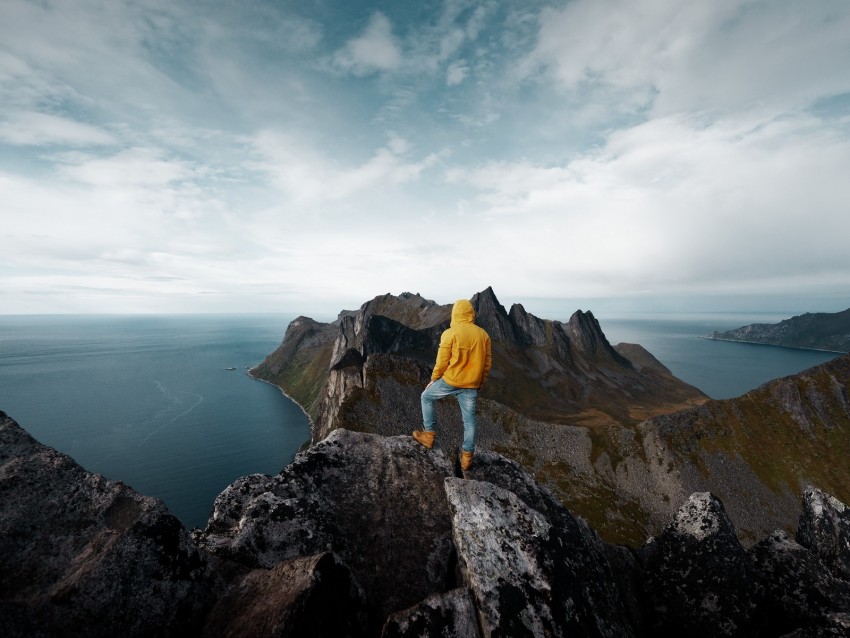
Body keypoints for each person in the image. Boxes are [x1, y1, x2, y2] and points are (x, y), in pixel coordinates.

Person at [412, 299, 491, 471]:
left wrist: (434, 379)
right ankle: (467, 459)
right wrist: (480, 383)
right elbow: (487, 364)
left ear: (455, 314)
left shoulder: (449, 333)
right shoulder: (483, 335)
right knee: (469, 422)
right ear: (471, 313)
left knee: (426, 397)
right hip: (471, 384)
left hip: (451, 381)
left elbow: (441, 362)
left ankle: (428, 436)